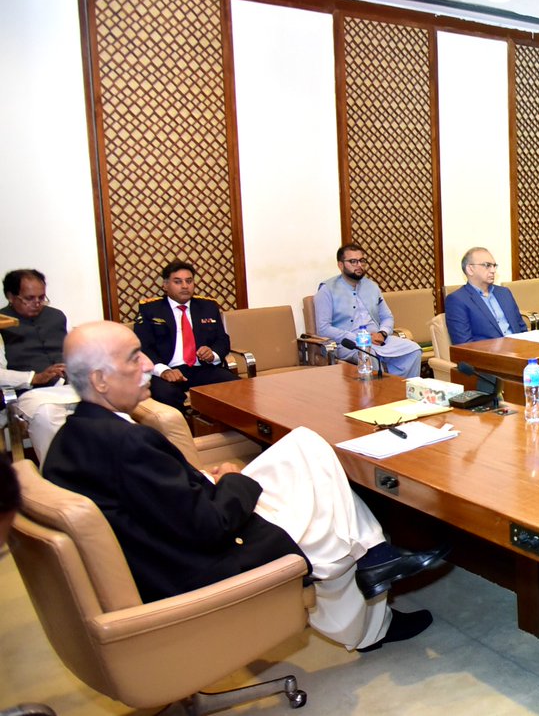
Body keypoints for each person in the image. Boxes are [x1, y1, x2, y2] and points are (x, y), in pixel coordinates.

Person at [41, 321, 450, 652]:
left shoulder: (71, 439)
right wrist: (233, 478)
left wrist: (209, 478)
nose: (149, 364)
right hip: (205, 564)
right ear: (99, 379)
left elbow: (157, 504)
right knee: (332, 512)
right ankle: (375, 568)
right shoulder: (128, 443)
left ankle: (376, 562)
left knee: (306, 446)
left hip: (176, 539)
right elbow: (211, 526)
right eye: (134, 357)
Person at [134, 261, 239, 413]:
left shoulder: (207, 307)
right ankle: (185, 433)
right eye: (178, 281)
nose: (185, 286)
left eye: (189, 281)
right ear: (165, 285)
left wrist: (213, 354)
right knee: (166, 395)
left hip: (201, 368)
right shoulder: (150, 309)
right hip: (167, 370)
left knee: (236, 386)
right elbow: (143, 346)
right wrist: (163, 370)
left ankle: (224, 430)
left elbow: (222, 339)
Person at [2, 269, 80, 459]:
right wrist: (34, 377)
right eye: (29, 298)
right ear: (11, 296)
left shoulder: (57, 316)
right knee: (46, 415)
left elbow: (76, 349)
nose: (37, 304)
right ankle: (59, 476)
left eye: (42, 297)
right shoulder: (3, 323)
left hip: (72, 386)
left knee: (106, 409)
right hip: (32, 393)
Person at [314, 244, 423, 376]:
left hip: (377, 339)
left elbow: (387, 317)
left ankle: (402, 390)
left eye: (362, 261)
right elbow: (323, 328)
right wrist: (360, 338)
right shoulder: (327, 289)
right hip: (349, 344)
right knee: (368, 355)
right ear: (341, 265)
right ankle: (378, 394)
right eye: (353, 261)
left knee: (413, 350)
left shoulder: (372, 287)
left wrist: (382, 333)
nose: (359, 265)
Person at [444, 247, 528, 344]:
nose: (493, 270)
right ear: (470, 269)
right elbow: (464, 345)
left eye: (494, 266)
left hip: (519, 352)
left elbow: (521, 328)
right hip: (490, 356)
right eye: (487, 265)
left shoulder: (504, 293)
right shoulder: (457, 300)